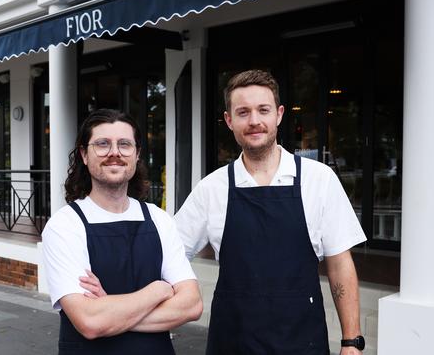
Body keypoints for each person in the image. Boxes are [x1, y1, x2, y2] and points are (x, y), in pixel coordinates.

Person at [174, 70, 367, 354]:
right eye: (243, 112)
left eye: (263, 110)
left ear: (278, 114)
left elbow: (340, 264)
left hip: (302, 341)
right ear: (229, 120)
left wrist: (352, 342)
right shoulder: (211, 188)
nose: (254, 121)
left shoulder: (319, 179)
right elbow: (171, 256)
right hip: (232, 342)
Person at [42, 109, 202, 355]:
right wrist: (157, 290)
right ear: (84, 154)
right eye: (103, 144)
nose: (115, 153)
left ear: (137, 154)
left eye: (125, 144)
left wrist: (111, 311)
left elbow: (191, 305)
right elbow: (90, 322)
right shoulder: (65, 225)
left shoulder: (159, 219)